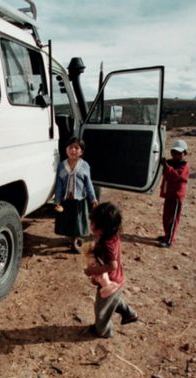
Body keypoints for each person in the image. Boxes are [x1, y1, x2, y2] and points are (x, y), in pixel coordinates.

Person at [83, 202, 138, 338]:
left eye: (94, 223)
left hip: (110, 283)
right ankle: (129, 314)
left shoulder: (107, 244)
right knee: (113, 300)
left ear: (103, 227)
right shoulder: (113, 236)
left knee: (101, 309)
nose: (91, 225)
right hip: (115, 280)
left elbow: (112, 265)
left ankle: (103, 330)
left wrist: (92, 271)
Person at [54, 137, 98, 253]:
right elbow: (59, 184)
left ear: (81, 152)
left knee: (78, 223)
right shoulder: (62, 166)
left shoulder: (84, 166)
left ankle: (76, 242)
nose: (73, 150)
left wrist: (93, 198)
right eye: (70, 147)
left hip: (79, 200)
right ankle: (72, 239)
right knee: (68, 221)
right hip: (66, 200)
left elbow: (88, 184)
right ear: (66, 150)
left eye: (76, 148)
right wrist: (57, 200)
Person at [158, 139, 190, 248]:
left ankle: (169, 240)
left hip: (176, 196)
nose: (176, 155)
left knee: (173, 219)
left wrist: (166, 166)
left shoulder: (184, 165)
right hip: (169, 194)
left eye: (179, 153)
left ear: (184, 153)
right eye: (174, 152)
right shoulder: (170, 163)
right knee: (166, 217)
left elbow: (176, 175)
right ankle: (167, 235)